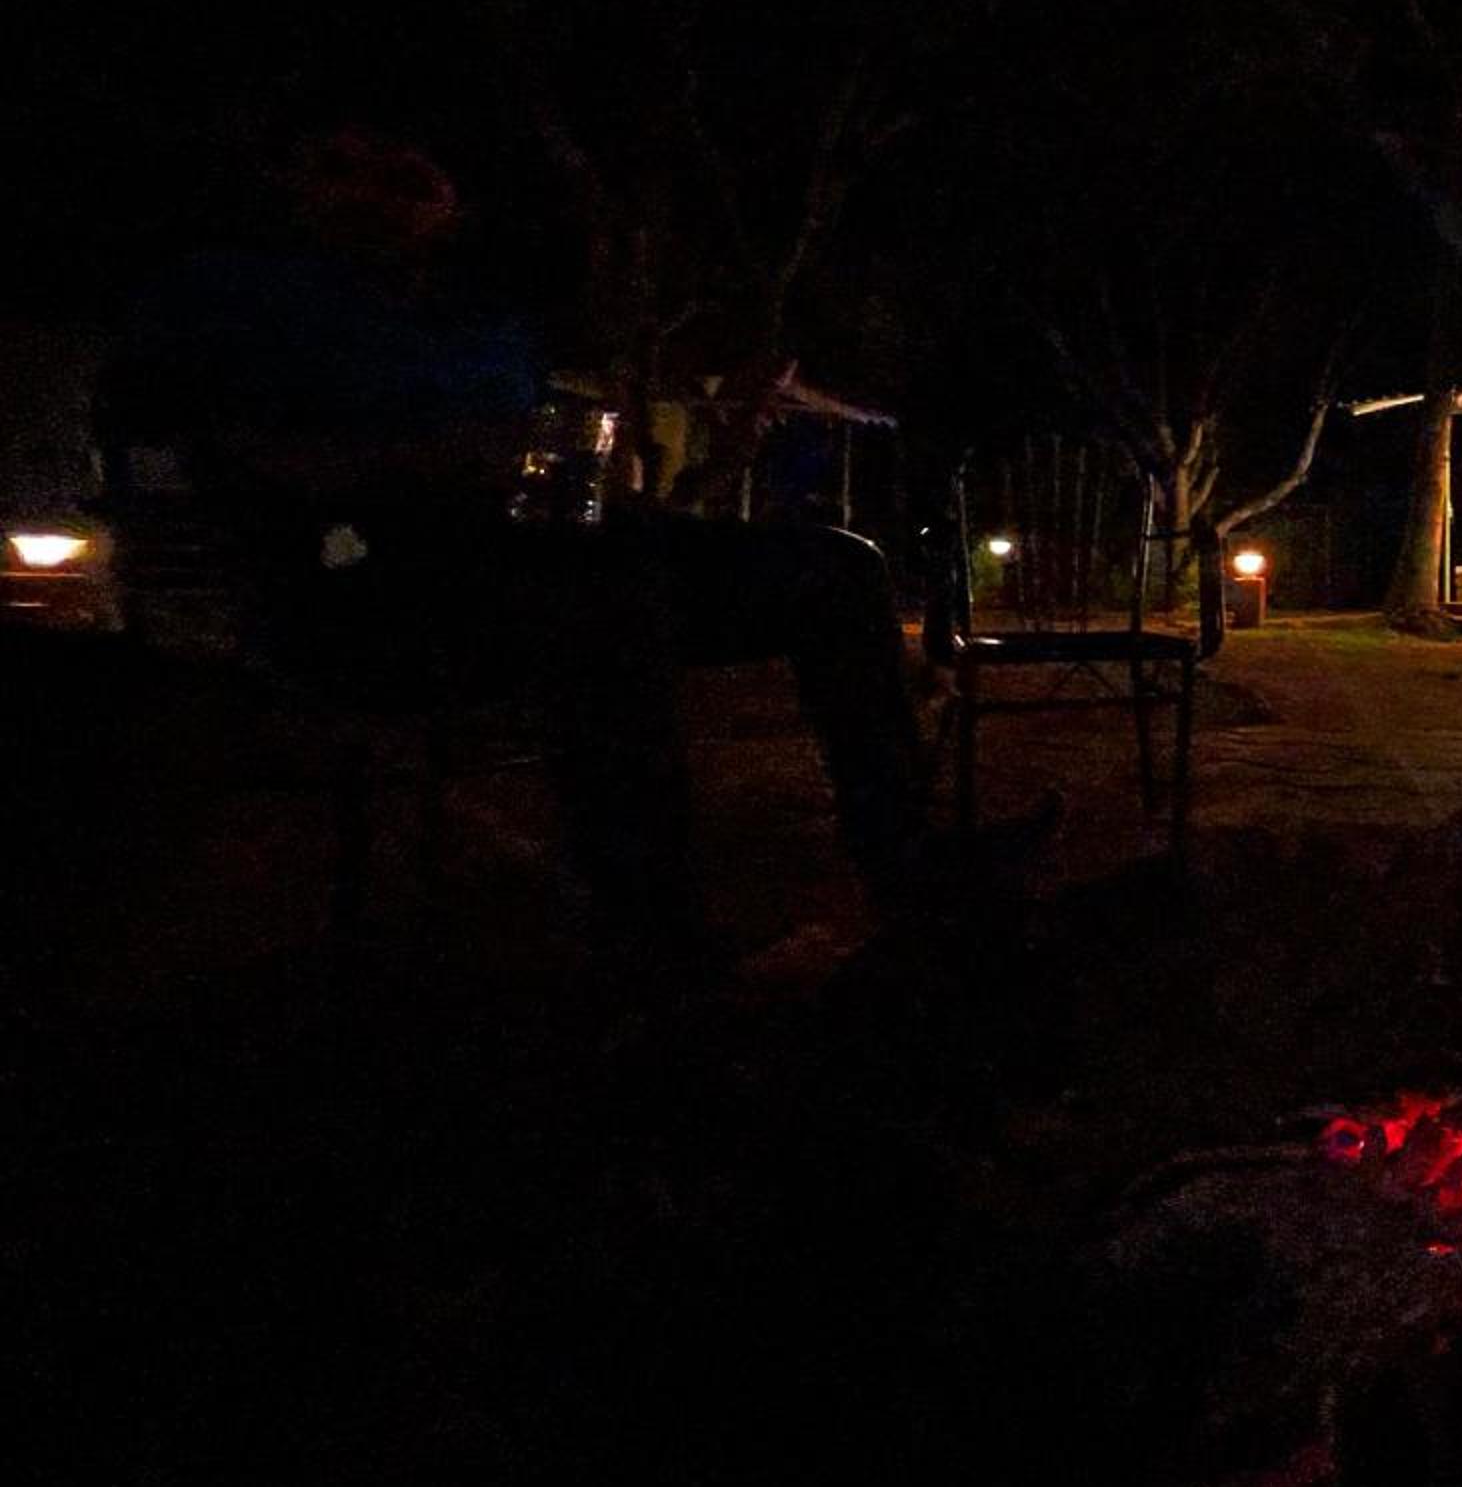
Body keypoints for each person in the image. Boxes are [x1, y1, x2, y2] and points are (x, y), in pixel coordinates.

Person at [102, 125, 931, 956]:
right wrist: (429, 460)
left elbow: (536, 453)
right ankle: (654, 933)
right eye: (339, 169)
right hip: (361, 576)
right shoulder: (229, 296)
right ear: (285, 183)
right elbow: (221, 455)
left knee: (834, 566)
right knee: (603, 597)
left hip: (544, 551)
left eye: (404, 176)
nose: (377, 195)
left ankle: (909, 875)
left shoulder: (478, 317)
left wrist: (575, 481)